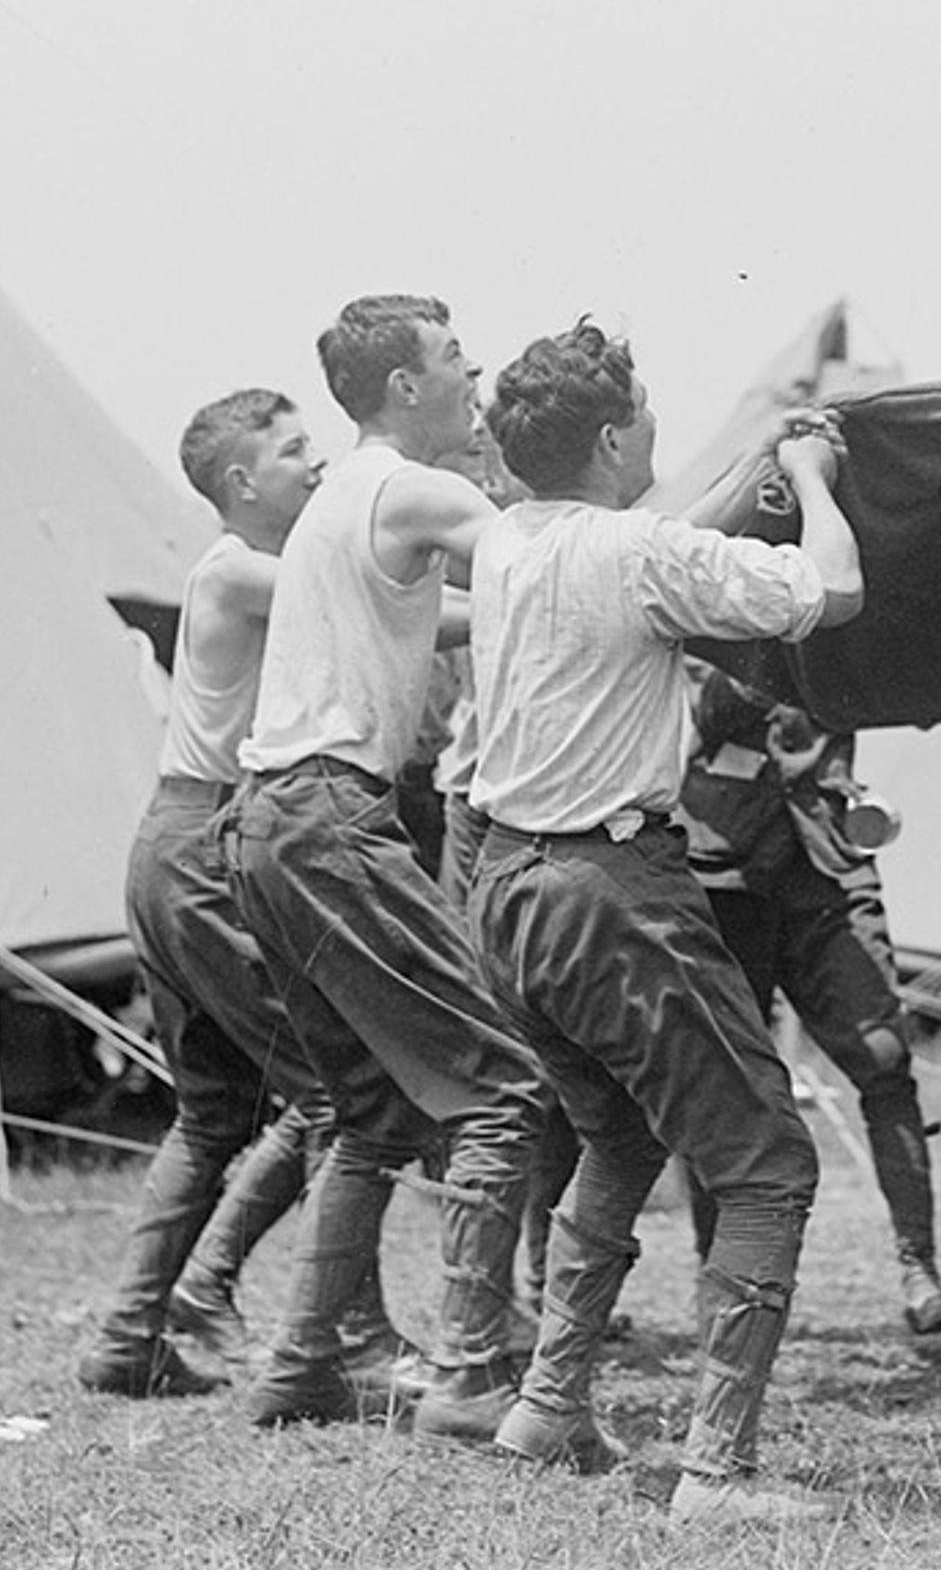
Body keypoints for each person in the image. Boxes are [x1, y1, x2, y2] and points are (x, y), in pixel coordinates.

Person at [459, 320, 866, 1523]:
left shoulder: (506, 538)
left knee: (622, 1136)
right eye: (641, 413)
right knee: (768, 1162)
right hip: (609, 890)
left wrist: (759, 468)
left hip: (507, 887)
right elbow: (830, 590)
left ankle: (546, 1405)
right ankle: (716, 1473)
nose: (654, 429)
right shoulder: (633, 551)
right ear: (607, 436)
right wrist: (809, 481)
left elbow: (665, 529)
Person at [232, 297, 555, 1441]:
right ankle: (469, 1371)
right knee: (506, 1087)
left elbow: (459, 612)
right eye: (457, 361)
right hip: (332, 814)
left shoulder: (348, 499)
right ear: (406, 388)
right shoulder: (414, 490)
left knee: (370, 1110)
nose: (474, 376)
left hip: (268, 818)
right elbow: (560, 563)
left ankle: (301, 1361)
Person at [79, 389, 369, 1398]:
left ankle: (128, 1335)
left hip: (173, 839)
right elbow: (370, 602)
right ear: (243, 482)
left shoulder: (243, 572)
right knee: (337, 1094)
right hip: (205, 842)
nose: (318, 464)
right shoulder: (245, 571)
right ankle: (243, 1304)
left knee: (211, 1116)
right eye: (297, 451)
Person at [677, 668, 941, 1342]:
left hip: (827, 863)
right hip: (723, 866)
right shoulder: (710, 578)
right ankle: (718, 1280)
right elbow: (711, 708)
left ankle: (919, 1273)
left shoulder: (840, 592)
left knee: (883, 1055)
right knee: (721, 1083)